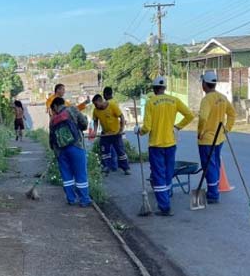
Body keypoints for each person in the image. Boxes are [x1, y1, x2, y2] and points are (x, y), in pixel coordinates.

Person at [136, 76, 195, 216]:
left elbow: (147, 127)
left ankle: (164, 206)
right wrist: (178, 126)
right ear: (164, 88)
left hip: (156, 145)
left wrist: (139, 131)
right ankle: (165, 200)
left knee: (158, 175)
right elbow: (190, 115)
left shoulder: (151, 103)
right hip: (170, 144)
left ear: (154, 89)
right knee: (168, 173)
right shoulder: (174, 101)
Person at [197, 70, 236, 204]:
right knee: (216, 164)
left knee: (209, 166)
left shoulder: (206, 100)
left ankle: (213, 194)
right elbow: (232, 114)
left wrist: (200, 132)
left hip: (207, 139)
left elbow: (202, 117)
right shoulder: (222, 97)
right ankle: (214, 189)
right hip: (219, 138)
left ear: (204, 84)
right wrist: (227, 128)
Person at [49, 96, 92, 207]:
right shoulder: (72, 110)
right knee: (80, 174)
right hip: (76, 146)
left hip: (61, 151)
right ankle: (84, 200)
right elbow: (84, 125)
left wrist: (56, 151)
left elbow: (51, 140)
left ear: (55, 106)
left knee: (66, 176)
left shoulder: (53, 120)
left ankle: (71, 199)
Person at [91, 94, 130, 176]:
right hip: (105, 134)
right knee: (105, 152)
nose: (95, 106)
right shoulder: (95, 111)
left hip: (115, 134)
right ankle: (106, 168)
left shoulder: (112, 106)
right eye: (94, 104)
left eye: (96, 104)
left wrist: (121, 129)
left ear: (100, 101)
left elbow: (121, 117)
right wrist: (94, 131)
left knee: (120, 152)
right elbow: (95, 121)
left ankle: (125, 168)